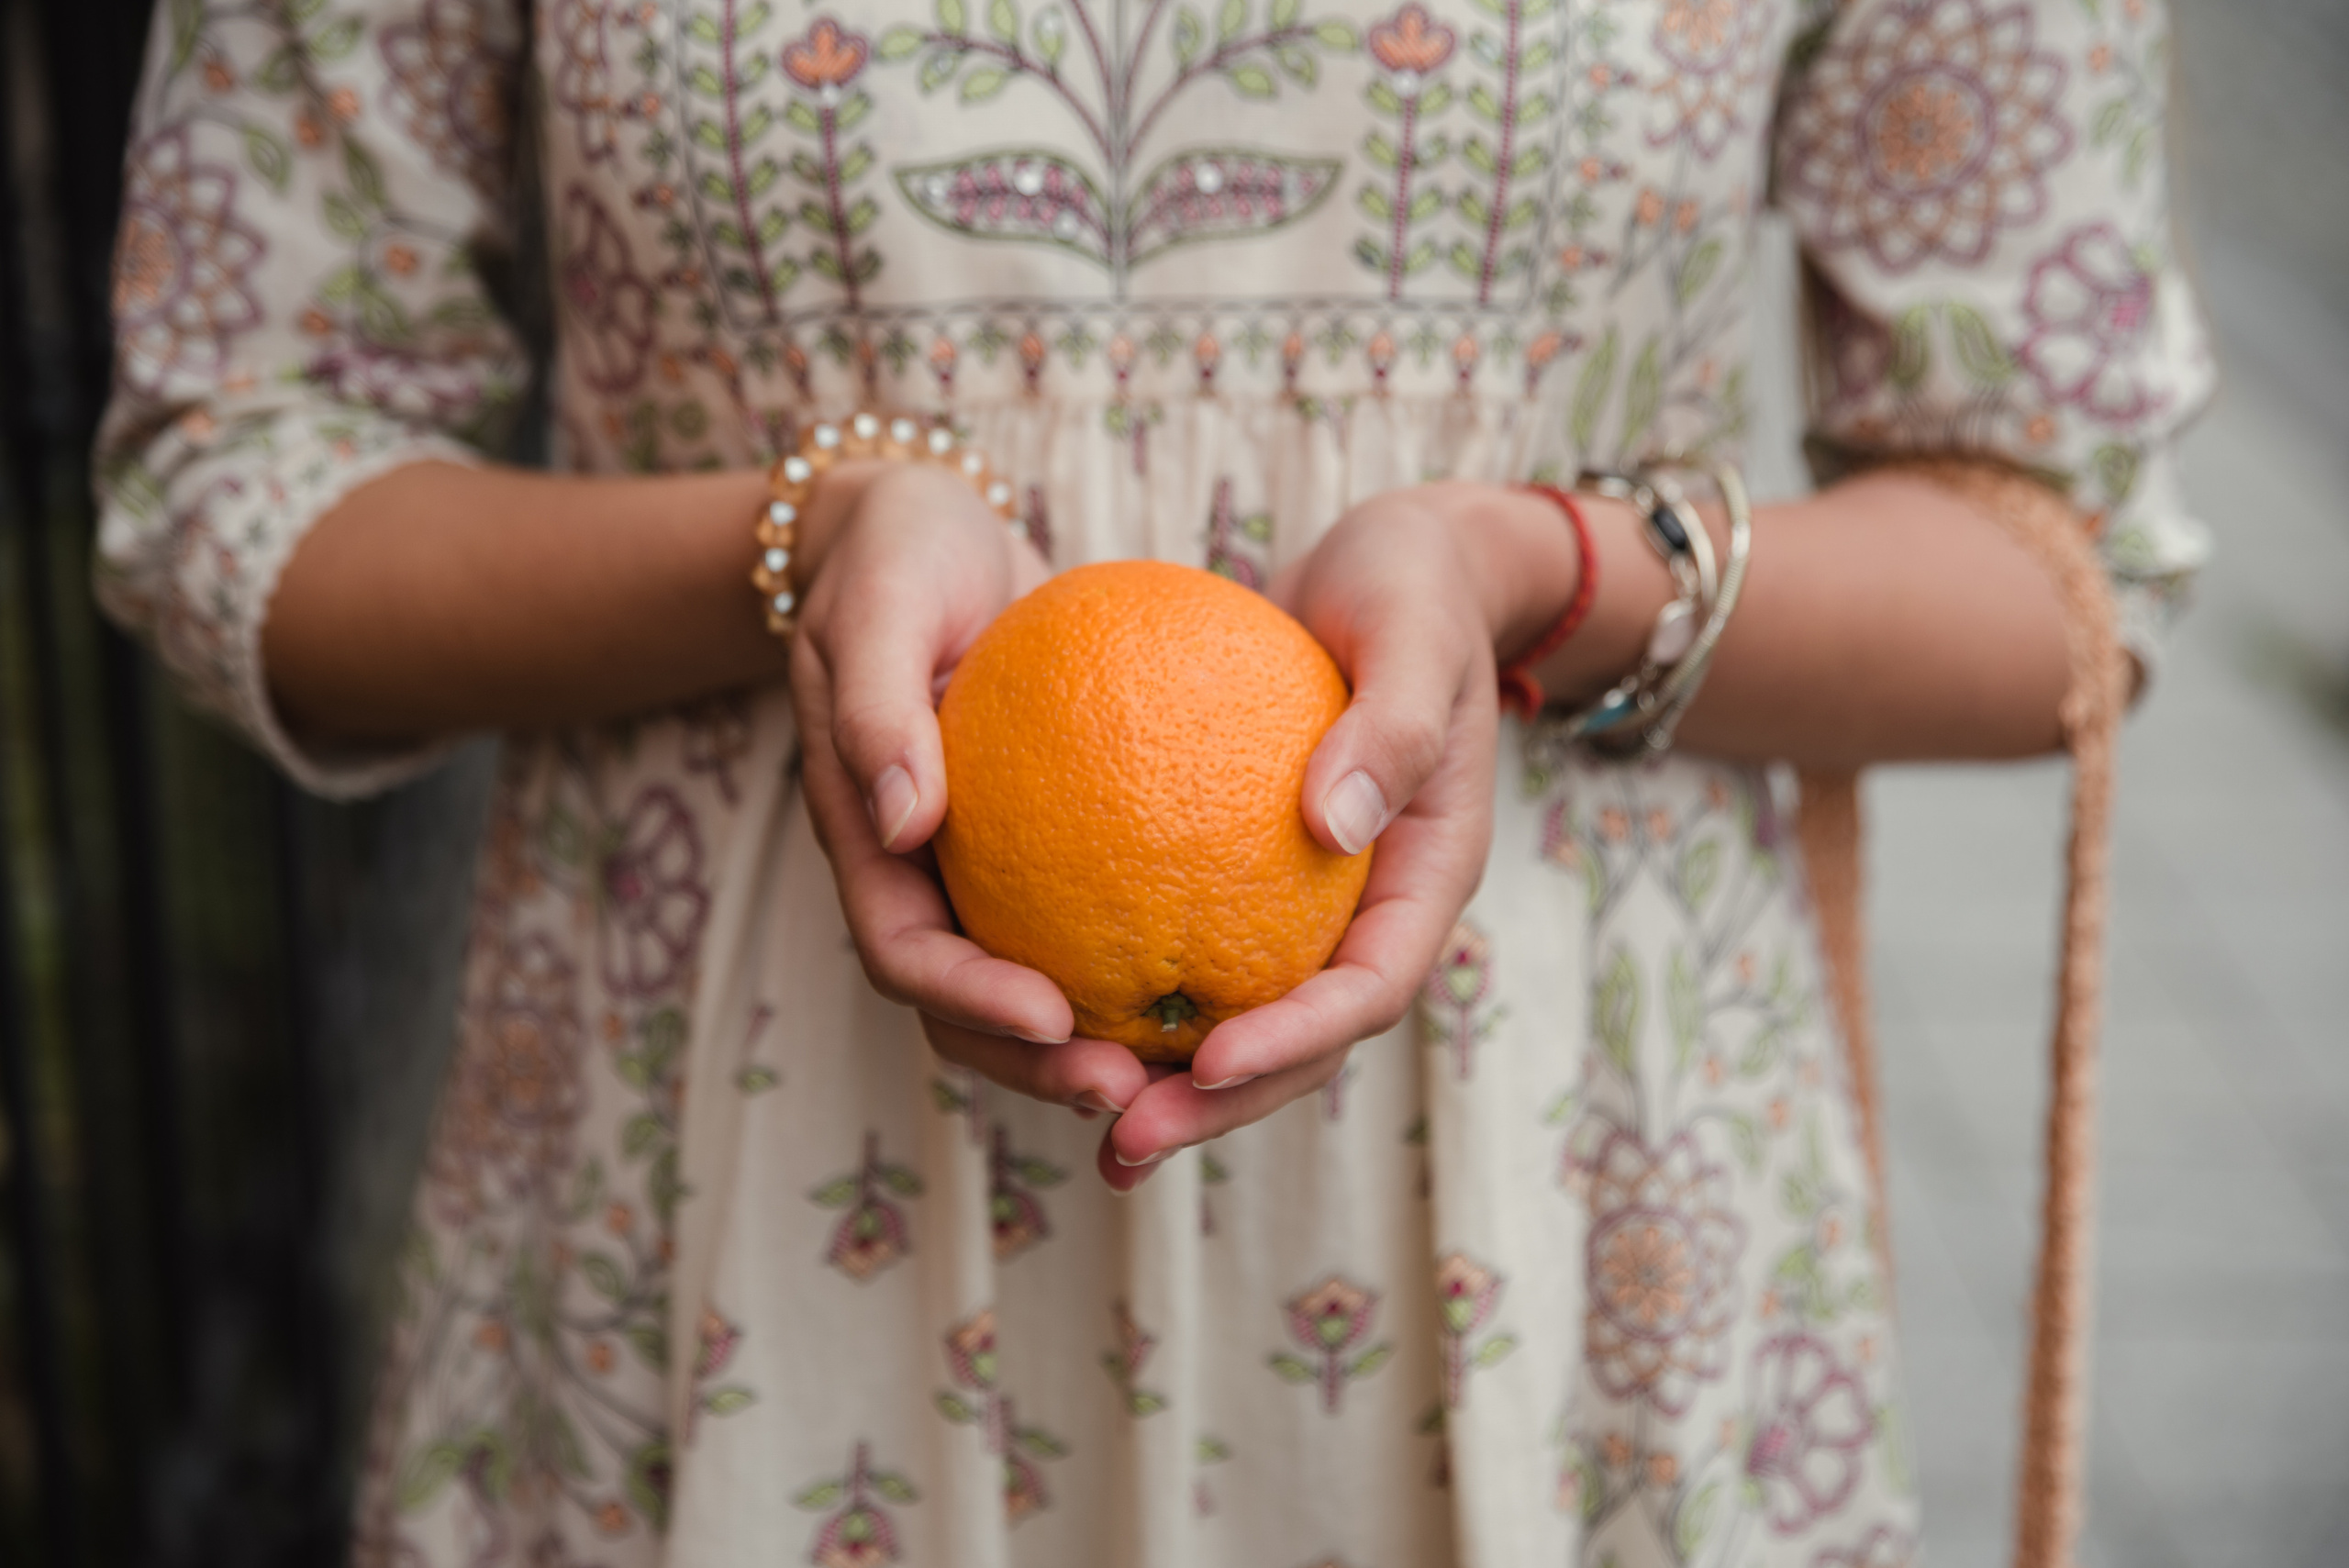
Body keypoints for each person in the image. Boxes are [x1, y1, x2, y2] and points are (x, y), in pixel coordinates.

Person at [96, 0, 2210, 1559]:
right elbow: (238, 470)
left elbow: (2052, 551)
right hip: (734, 1228)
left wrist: (1538, 573)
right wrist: (800, 539)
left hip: (1552, 1258)